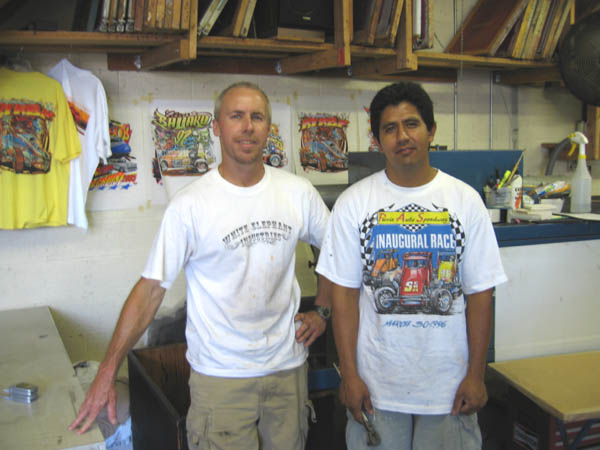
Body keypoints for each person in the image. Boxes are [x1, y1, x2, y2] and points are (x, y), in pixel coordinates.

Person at [69, 81, 333, 450]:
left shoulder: (297, 192)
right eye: (236, 116)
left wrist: (322, 309)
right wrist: (106, 371)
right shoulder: (190, 205)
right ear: (217, 127)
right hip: (220, 379)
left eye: (257, 117)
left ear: (268, 128)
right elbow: (150, 290)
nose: (248, 127)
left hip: (287, 371)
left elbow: (337, 252)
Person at [316, 81, 507, 449]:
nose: (402, 136)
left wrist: (476, 375)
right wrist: (350, 376)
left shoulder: (465, 202)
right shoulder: (354, 204)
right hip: (377, 388)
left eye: (412, 124)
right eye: (390, 128)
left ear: (431, 130)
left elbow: (480, 295)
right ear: (377, 140)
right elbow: (344, 296)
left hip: (450, 389)